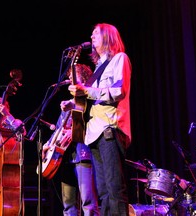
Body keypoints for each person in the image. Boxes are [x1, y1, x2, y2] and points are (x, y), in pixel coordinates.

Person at [63, 23, 132, 215]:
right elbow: (92, 97)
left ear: (108, 37)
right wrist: (73, 103)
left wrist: (86, 90)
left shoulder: (120, 59)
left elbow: (118, 91)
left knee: (114, 188)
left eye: (96, 34)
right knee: (103, 192)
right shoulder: (98, 69)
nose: (91, 37)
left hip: (110, 128)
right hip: (93, 134)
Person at [42, 64, 100, 216]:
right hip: (65, 158)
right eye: (69, 77)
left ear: (84, 79)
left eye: (74, 77)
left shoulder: (91, 102)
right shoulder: (67, 104)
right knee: (68, 206)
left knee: (88, 204)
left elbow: (94, 126)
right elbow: (59, 129)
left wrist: (74, 131)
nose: (70, 79)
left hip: (84, 155)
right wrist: (47, 145)